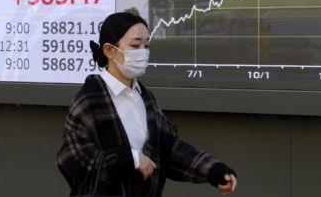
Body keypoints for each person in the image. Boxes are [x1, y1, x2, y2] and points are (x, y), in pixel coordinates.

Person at [56, 12, 237, 196]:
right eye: (135, 45)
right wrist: (128, 159)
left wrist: (213, 170)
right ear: (110, 50)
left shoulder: (144, 96)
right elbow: (71, 158)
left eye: (147, 45)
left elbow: (169, 147)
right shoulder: (90, 99)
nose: (143, 52)